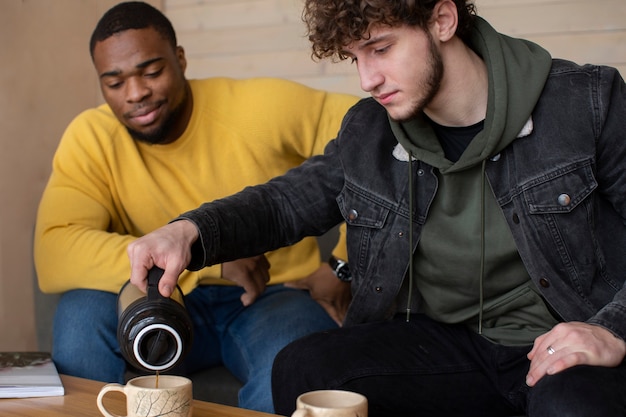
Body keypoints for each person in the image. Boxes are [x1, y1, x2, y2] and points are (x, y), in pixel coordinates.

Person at [126, 0, 626, 416]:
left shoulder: (586, 103)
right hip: (443, 348)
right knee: (305, 368)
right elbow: (286, 202)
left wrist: (612, 330)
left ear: (443, 21)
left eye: (381, 49)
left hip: (560, 346)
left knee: (574, 405)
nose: (367, 78)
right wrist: (189, 231)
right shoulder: (370, 130)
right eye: (355, 58)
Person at [33, 1, 358, 413]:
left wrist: (344, 266)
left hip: (273, 295)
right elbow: (55, 251)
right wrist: (206, 261)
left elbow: (372, 140)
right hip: (153, 295)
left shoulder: (258, 106)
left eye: (152, 72)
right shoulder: (91, 137)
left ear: (180, 59)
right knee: (80, 313)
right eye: (114, 83)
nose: (136, 93)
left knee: (295, 361)